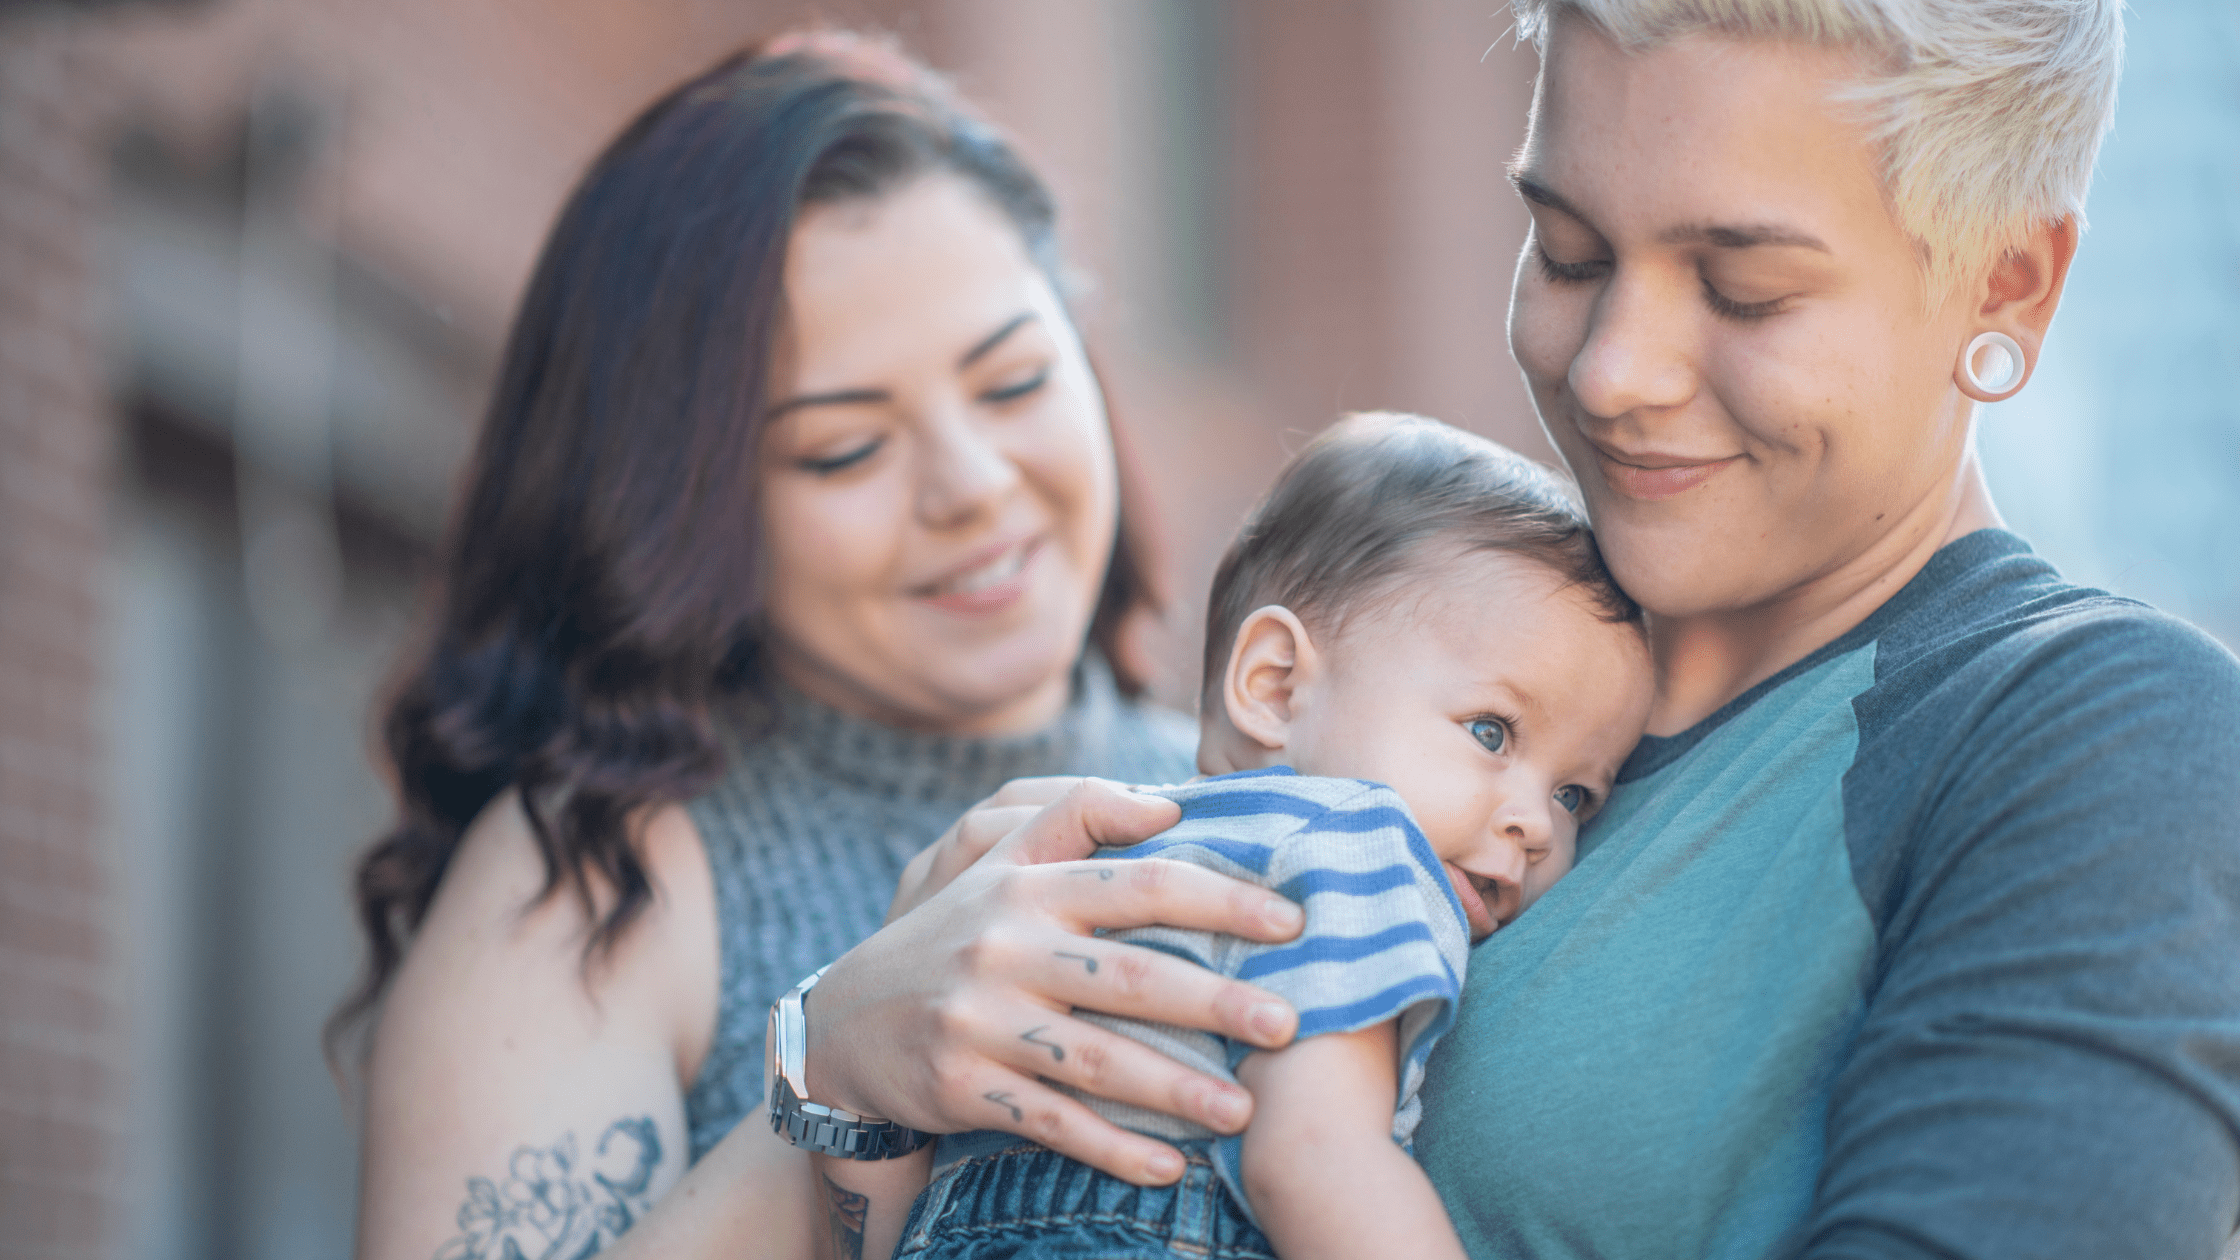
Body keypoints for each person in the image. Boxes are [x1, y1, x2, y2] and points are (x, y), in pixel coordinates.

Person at [782, 2, 2240, 1257]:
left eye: (1744, 286)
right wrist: (843, 1053)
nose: (1612, 373)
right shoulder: (1396, 675)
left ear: (2006, 283)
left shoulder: (2093, 740)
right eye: (1568, 251)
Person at [332, 33, 1245, 1260]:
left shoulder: (1265, 789)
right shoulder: (592, 880)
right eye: (842, 450)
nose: (971, 487)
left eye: (1014, 382)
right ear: (682, 509)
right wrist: (835, 1082)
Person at [816, 414, 1654, 1260]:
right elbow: (1312, 1157)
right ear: (1276, 686)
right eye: (1491, 732)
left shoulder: (1080, 855)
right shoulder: (1359, 839)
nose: (1535, 824)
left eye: (1576, 794)